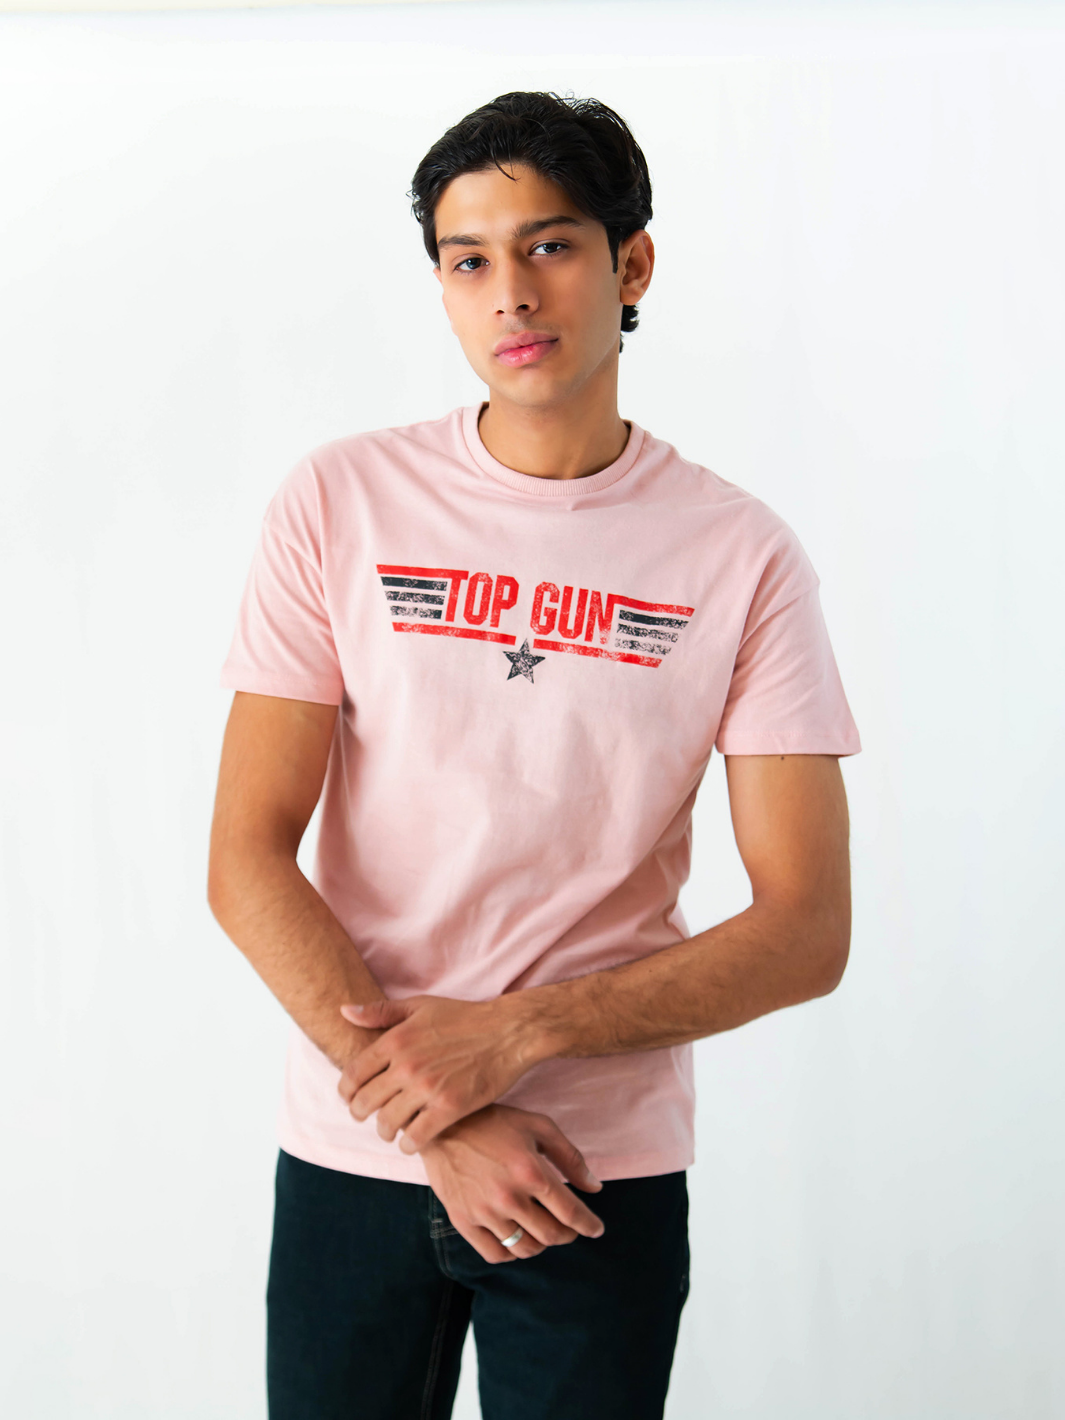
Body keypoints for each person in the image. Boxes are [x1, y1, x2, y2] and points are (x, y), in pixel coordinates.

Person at [208, 90, 860, 1420]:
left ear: (633, 264)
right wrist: (443, 1112)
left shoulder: (740, 557)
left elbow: (807, 927)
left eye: (550, 246)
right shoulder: (339, 502)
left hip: (592, 1174)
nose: (510, 292)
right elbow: (245, 857)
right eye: (468, 259)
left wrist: (513, 1038)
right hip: (357, 1158)